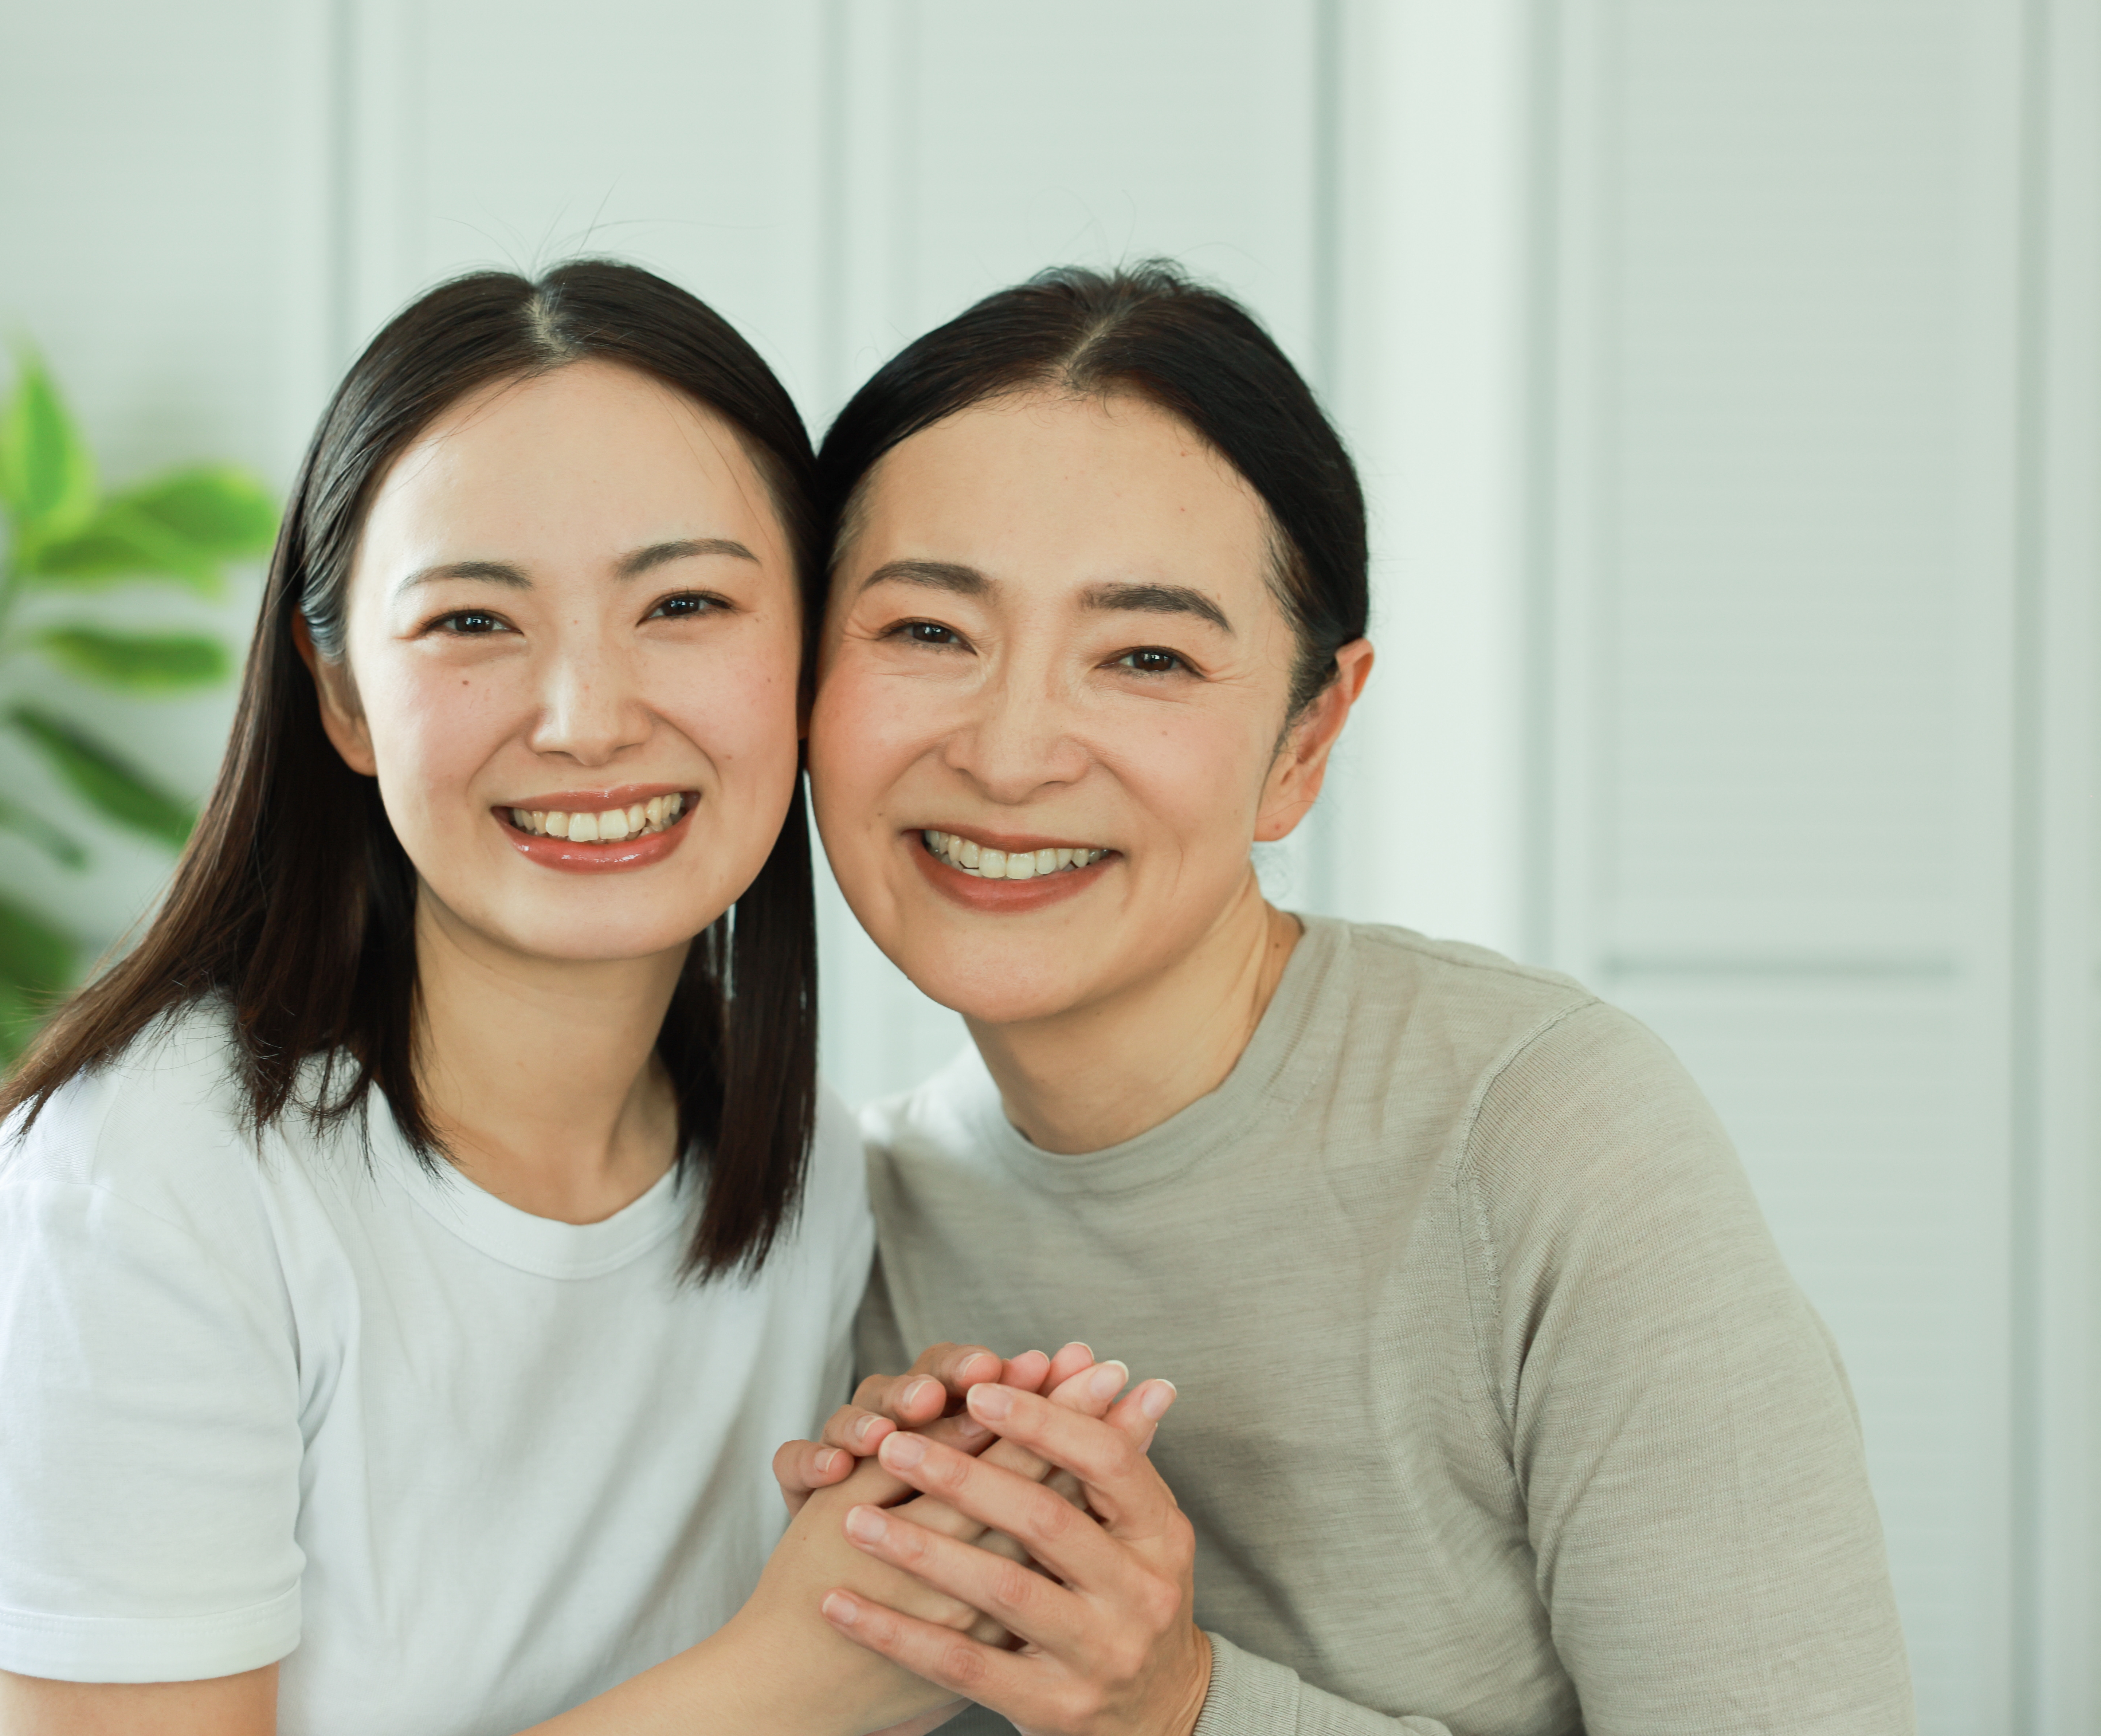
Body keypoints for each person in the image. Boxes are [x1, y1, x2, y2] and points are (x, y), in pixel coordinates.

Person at [0, 260, 1165, 1736]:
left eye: (683, 603)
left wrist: (936, 1514)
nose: (586, 719)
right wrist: (800, 1669)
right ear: (341, 698)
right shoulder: (152, 1178)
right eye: (471, 623)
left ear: (809, 660)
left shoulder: (799, 1168)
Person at [776, 263, 1918, 1735]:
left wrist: (1176, 1707)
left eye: (1144, 656)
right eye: (927, 631)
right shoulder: (851, 1219)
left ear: (1305, 738)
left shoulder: (1546, 1135)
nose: (1008, 754)